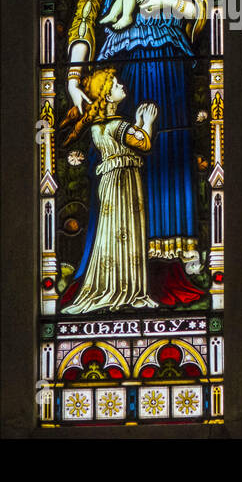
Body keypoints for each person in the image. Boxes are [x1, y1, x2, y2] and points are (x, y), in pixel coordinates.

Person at [66, 0, 206, 305]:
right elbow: (85, 19)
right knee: (122, 159)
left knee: (167, 152)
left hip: (167, 63)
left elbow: (203, 9)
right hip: (120, 70)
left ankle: (169, 268)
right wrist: (74, 78)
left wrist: (176, 7)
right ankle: (118, 265)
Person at [59, 69, 160, 313]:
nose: (121, 86)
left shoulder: (98, 127)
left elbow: (123, 140)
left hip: (109, 183)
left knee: (112, 231)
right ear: (107, 97)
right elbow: (142, 142)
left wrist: (136, 124)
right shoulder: (119, 125)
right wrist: (147, 122)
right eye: (115, 85)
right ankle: (128, 290)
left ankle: (110, 285)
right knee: (126, 230)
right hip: (125, 182)